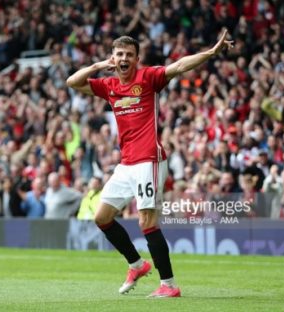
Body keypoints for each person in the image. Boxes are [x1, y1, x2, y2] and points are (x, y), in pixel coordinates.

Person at [66, 30, 233, 297]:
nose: (124, 59)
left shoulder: (148, 78)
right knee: (102, 217)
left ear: (136, 59)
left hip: (149, 159)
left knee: (147, 221)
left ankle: (168, 285)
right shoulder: (109, 86)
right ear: (113, 57)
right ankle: (136, 264)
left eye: (129, 55)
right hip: (126, 163)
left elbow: (179, 66)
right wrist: (98, 66)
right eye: (119, 54)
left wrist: (211, 52)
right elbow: (73, 82)